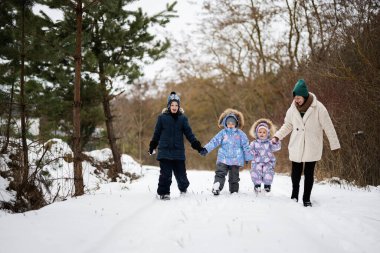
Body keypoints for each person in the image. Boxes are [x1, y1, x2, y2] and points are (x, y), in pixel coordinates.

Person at [271, 79, 340, 207]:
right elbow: (288, 125)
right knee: (295, 173)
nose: (296, 100)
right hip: (297, 144)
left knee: (309, 173)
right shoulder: (292, 109)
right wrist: (277, 136)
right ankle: (294, 196)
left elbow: (328, 126)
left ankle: (306, 198)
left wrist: (334, 145)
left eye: (298, 98)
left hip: (311, 145)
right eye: (295, 98)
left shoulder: (318, 108)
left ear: (304, 95)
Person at [149, 91, 203, 200]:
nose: (174, 107)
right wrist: (153, 145)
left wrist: (196, 144)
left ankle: (183, 189)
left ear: (179, 106)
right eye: (172, 105)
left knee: (181, 175)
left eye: (176, 105)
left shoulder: (183, 119)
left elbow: (189, 133)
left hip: (178, 152)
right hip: (164, 151)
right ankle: (164, 193)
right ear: (168, 106)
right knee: (165, 174)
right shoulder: (162, 118)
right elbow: (157, 133)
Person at [200, 108, 252, 195]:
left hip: (236, 159)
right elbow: (214, 141)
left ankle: (234, 191)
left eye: (232, 123)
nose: (230, 125)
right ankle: (217, 187)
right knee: (220, 173)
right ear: (225, 123)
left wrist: (247, 157)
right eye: (228, 123)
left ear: (236, 123)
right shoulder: (222, 133)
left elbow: (246, 146)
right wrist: (206, 149)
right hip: (223, 158)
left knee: (234, 177)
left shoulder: (241, 134)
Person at [248, 118, 281, 193]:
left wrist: (275, 142)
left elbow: (277, 148)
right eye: (260, 132)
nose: (261, 134)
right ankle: (257, 186)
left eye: (264, 132)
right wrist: (253, 152)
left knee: (268, 173)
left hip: (268, 162)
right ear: (256, 133)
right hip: (257, 162)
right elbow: (249, 151)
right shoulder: (254, 143)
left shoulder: (269, 143)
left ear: (268, 133)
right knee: (256, 172)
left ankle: (267, 186)